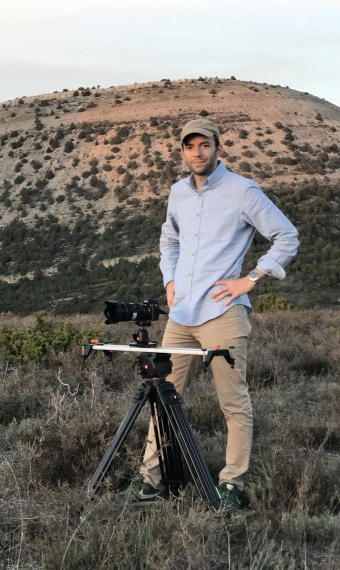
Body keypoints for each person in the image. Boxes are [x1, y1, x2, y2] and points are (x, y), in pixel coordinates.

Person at [120, 118, 299, 511]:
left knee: (233, 403)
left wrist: (250, 278)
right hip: (181, 315)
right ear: (182, 151)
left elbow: (287, 235)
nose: (197, 153)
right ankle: (152, 481)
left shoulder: (242, 191)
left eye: (204, 145)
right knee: (162, 398)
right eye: (189, 146)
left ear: (218, 147)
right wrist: (170, 279)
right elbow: (169, 240)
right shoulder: (178, 193)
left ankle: (232, 483)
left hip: (222, 312)